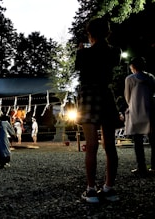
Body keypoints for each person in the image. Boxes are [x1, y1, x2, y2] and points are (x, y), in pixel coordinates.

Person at [75, 17, 121, 203]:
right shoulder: (115, 52)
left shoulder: (84, 53)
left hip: (88, 95)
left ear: (90, 34)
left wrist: (81, 51)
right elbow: (112, 65)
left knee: (91, 145)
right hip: (105, 94)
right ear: (108, 33)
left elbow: (80, 69)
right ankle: (109, 188)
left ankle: (91, 189)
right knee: (109, 145)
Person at [124, 57, 155, 177]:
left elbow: (127, 96)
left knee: (138, 141)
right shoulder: (151, 77)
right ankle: (153, 166)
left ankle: (141, 167)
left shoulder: (130, 79)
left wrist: (131, 105)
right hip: (150, 110)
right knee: (153, 140)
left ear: (133, 67)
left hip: (136, 111)